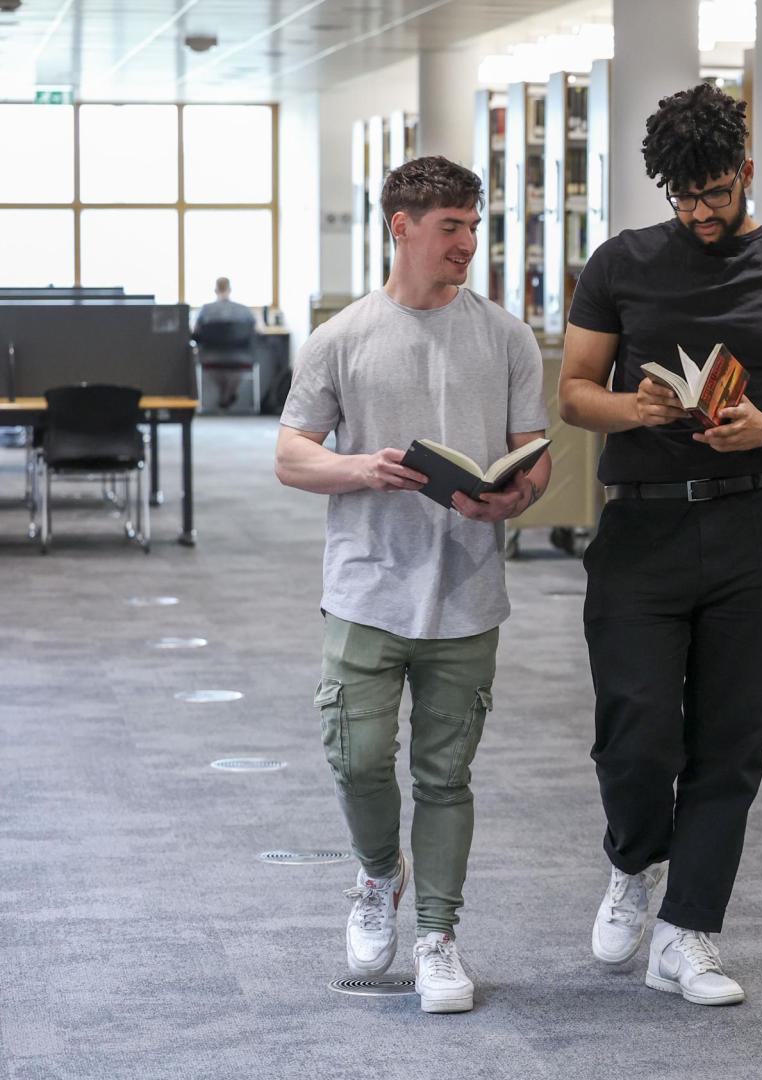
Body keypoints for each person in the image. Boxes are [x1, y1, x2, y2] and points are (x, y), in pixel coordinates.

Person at [559, 83, 762, 1007]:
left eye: (716, 193)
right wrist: (631, 407)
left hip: (750, 524)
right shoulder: (621, 263)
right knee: (636, 731)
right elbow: (573, 390)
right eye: (684, 198)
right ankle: (634, 862)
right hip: (641, 521)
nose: (701, 213)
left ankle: (691, 934)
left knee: (732, 740)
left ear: (746, 175)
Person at [273, 155, 552, 1015]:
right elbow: (291, 455)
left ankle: (437, 935)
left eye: (475, 225)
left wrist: (516, 493)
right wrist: (359, 467)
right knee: (356, 758)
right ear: (402, 226)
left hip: (467, 589)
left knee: (445, 773)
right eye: (452, 227)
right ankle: (374, 874)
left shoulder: (506, 336)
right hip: (365, 586)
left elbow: (534, 455)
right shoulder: (342, 337)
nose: (469, 242)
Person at [192, 277, 257, 411]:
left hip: (209, 357)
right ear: (230, 290)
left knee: (219, 366)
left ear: (215, 290)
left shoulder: (205, 310)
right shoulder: (244, 311)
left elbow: (195, 333)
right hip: (240, 357)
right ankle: (227, 395)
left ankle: (224, 395)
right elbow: (257, 330)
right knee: (232, 367)